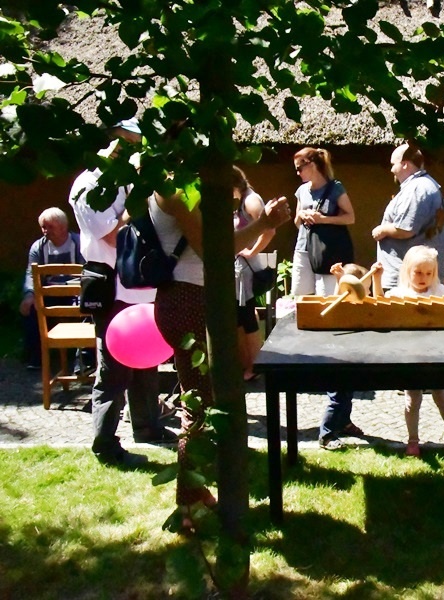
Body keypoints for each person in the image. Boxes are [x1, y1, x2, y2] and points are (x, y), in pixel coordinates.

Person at [151, 183, 291, 525]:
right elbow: (210, 249)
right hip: (186, 300)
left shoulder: (183, 186)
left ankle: (196, 494)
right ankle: (187, 507)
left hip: (186, 298)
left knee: (201, 400)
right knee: (196, 406)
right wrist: (263, 224)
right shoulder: (174, 189)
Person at [69, 119, 172, 465]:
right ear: (109, 144)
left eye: (135, 144)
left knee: (147, 362)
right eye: (126, 143)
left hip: (140, 285)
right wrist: (140, 204)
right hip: (112, 286)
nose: (131, 151)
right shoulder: (89, 185)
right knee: (113, 369)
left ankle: (147, 426)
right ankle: (105, 443)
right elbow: (112, 235)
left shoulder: (130, 180)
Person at [386, 245, 444, 457]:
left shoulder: (438, 290)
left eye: (428, 273)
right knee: (412, 399)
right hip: (410, 354)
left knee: (442, 394)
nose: (424, 277)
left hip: (436, 353)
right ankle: (413, 441)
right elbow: (381, 302)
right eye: (418, 272)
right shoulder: (399, 293)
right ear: (407, 271)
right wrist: (376, 278)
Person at [317, 261, 384, 451]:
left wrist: (377, 279)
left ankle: (344, 423)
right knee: (337, 397)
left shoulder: (363, 308)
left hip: (352, 358)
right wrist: (340, 281)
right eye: (365, 289)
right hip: (336, 359)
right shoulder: (341, 305)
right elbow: (338, 300)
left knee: (347, 394)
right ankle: (326, 434)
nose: (368, 294)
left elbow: (380, 301)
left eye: (369, 289)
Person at [372, 142, 444, 291]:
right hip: (414, 280)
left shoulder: (417, 189)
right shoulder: (424, 185)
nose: (392, 170)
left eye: (393, 164)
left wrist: (383, 230)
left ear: (405, 164)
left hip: (408, 284)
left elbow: (406, 229)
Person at [20, 207, 87, 370]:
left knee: (89, 308)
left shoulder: (80, 243)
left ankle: (84, 359)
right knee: (31, 308)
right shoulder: (38, 247)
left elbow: (88, 270)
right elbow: (31, 273)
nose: (46, 231)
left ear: (63, 227)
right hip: (49, 292)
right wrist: (30, 294)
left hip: (75, 291)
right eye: (44, 227)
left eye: (50, 227)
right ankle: (37, 357)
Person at [290, 147, 355, 296]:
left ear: (311, 165)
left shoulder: (335, 188)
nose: (297, 173)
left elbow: (350, 217)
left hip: (327, 250)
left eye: (299, 168)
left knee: (326, 295)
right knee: (301, 296)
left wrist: (323, 219)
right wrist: (302, 215)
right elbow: (297, 223)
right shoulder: (302, 190)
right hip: (303, 248)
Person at [232, 166, 276, 381]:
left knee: (247, 315)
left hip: (246, 269)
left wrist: (251, 252)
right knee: (242, 316)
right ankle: (247, 363)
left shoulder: (250, 200)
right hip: (239, 268)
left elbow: (269, 229)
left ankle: (256, 365)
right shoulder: (242, 200)